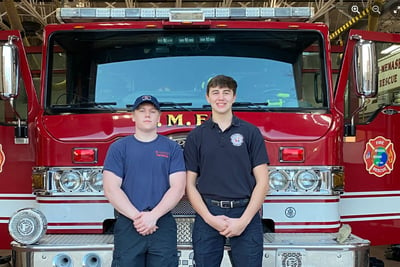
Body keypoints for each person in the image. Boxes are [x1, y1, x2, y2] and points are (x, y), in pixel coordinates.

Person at [184, 75, 270, 267]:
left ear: (234, 97)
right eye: (215, 92)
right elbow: (189, 185)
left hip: (245, 212)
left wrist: (244, 221)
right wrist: (209, 218)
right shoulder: (196, 136)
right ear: (207, 97)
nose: (220, 97)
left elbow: (263, 182)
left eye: (226, 92)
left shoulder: (250, 133)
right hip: (209, 213)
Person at [103, 95, 186, 267]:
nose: (147, 115)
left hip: (162, 225)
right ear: (133, 116)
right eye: (142, 111)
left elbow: (178, 188)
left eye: (152, 111)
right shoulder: (119, 148)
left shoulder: (172, 148)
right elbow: (111, 189)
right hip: (129, 224)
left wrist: (153, 217)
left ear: (159, 116)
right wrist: (138, 218)